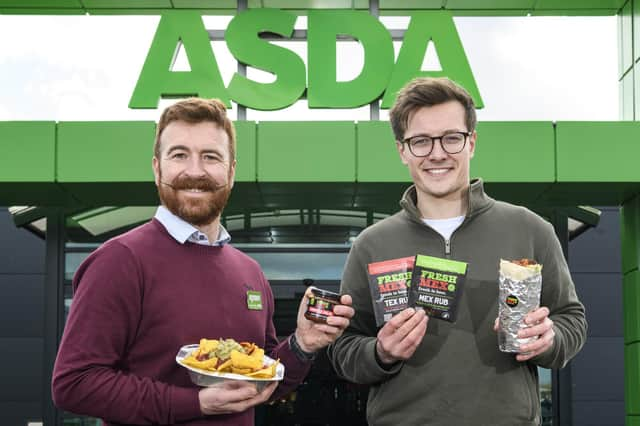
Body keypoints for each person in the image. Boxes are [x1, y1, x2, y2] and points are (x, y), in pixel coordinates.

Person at [52, 98, 354, 426]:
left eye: (210, 157)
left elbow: (262, 380)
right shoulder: (120, 260)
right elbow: (75, 384)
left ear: (231, 170)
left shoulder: (249, 272)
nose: (195, 171)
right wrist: (196, 403)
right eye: (179, 155)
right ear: (157, 168)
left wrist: (302, 344)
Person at [327, 77, 586, 426]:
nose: (437, 153)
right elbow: (343, 347)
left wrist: (550, 339)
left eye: (451, 138)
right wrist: (380, 352)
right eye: (420, 141)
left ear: (472, 142)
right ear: (402, 150)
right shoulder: (372, 244)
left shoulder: (529, 229)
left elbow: (572, 320)